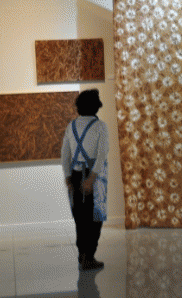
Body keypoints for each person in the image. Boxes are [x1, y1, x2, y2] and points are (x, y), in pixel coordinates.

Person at [61, 89, 109, 271]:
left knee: (80, 217)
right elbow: (102, 154)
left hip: (75, 173)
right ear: (96, 106)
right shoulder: (100, 126)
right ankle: (89, 256)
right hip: (93, 176)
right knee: (95, 218)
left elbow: (65, 154)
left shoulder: (71, 126)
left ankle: (82, 254)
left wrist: (67, 176)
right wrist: (91, 179)